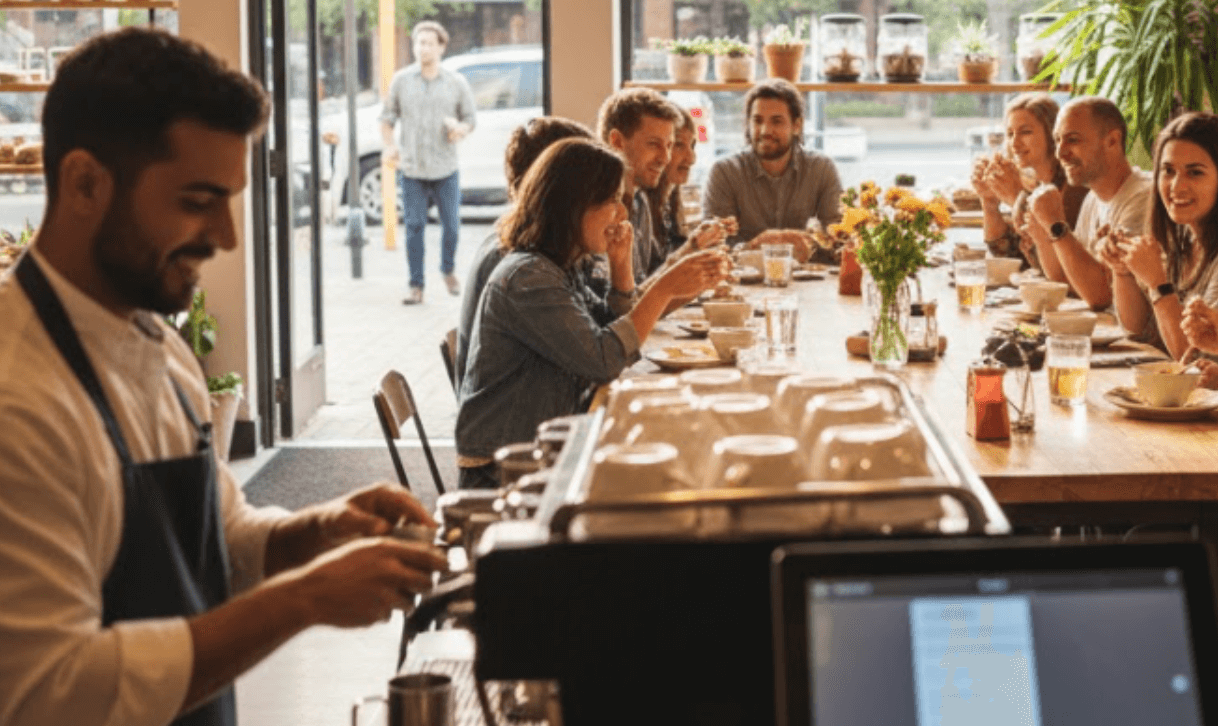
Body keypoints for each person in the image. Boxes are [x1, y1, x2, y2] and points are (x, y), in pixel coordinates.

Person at [0, 29, 443, 726]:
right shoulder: (18, 398)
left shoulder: (159, 346)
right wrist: (303, 599)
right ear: (85, 182)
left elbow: (217, 536)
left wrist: (318, 531)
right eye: (199, 199)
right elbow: (51, 690)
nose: (228, 236)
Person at [455, 138, 728, 489]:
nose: (622, 214)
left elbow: (607, 328)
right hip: (505, 469)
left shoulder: (560, 265)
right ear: (573, 205)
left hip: (545, 444)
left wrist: (621, 269)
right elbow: (605, 359)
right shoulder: (528, 278)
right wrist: (664, 290)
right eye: (612, 200)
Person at [455, 116, 595, 390]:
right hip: (519, 423)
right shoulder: (517, 260)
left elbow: (593, 319)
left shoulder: (529, 239)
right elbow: (597, 357)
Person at [1104, 113, 1218, 383]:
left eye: (1195, 172)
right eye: (1168, 171)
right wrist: (1123, 271)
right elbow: (1137, 329)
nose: (1177, 186)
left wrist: (1158, 284)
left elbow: (1190, 357)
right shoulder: (1181, 237)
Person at [1026, 96, 1154, 311]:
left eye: (1073, 140)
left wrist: (1056, 225)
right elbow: (1066, 280)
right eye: (1058, 140)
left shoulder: (1143, 197)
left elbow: (1100, 295)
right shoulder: (1093, 198)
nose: (1060, 153)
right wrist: (1043, 236)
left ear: (1112, 140)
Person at [381, 20, 477, 305]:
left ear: (441, 47)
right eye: (418, 43)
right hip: (411, 168)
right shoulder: (401, 81)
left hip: (445, 167)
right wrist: (390, 146)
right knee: (414, 227)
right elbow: (387, 119)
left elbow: (470, 119)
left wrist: (460, 129)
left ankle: (447, 269)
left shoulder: (456, 83)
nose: (422, 48)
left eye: (428, 43)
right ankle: (416, 286)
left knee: (452, 226)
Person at [703, 78, 843, 255]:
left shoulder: (821, 169)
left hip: (809, 279)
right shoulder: (725, 172)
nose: (765, 131)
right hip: (743, 281)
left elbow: (839, 242)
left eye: (776, 121)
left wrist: (809, 245)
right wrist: (757, 244)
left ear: (796, 126)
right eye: (757, 121)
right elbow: (712, 249)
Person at [971, 93, 1089, 265]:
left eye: (1025, 132)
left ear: (1052, 136)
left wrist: (1017, 199)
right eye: (1010, 134)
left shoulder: (1073, 187)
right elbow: (1005, 253)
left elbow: (1055, 267)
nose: (1014, 143)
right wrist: (989, 203)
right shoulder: (1032, 183)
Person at [596, 88, 683, 284]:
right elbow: (623, 307)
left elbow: (644, 284)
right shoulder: (595, 211)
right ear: (617, 141)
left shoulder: (640, 201)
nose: (665, 158)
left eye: (669, 145)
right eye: (654, 144)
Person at [645, 104, 733, 263]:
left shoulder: (670, 199)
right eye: (678, 145)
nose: (691, 158)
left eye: (692, 146)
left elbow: (671, 255)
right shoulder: (639, 206)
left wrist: (702, 238)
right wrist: (693, 247)